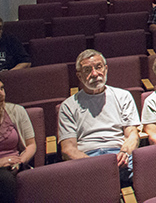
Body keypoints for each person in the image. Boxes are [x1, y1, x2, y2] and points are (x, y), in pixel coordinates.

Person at [58, 50, 140, 184]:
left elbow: (132, 134)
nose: (95, 74)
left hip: (119, 154)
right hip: (86, 158)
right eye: (87, 70)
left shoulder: (123, 96)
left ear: (106, 69)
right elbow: (68, 149)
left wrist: (125, 152)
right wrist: (96, 165)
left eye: (98, 67)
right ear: (79, 76)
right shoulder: (68, 106)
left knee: (148, 176)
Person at [0, 77, 36, 203]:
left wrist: (20, 161)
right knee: (5, 178)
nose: (2, 94)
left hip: (16, 164)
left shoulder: (17, 111)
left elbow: (31, 145)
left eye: (2, 88)